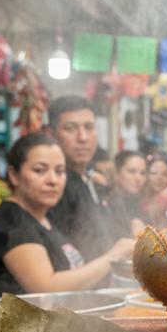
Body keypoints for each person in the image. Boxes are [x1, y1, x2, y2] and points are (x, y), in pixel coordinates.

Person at [0, 133, 134, 299]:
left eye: (60, 171)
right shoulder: (10, 223)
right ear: (14, 175)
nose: (53, 180)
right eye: (39, 170)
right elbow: (47, 288)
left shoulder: (44, 217)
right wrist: (113, 256)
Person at [47, 95, 116, 260]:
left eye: (89, 127)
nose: (82, 138)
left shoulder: (92, 179)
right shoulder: (53, 187)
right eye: (70, 128)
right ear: (52, 134)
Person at [109, 150, 147, 238]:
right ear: (116, 174)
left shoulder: (139, 203)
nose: (138, 178)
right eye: (131, 171)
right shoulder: (105, 202)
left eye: (142, 173)